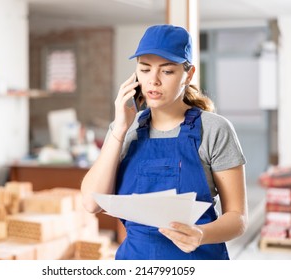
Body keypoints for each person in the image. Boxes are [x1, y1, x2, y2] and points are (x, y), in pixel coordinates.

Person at [81, 24, 248, 260]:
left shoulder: (214, 129)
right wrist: (119, 129)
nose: (154, 81)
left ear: (188, 75)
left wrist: (200, 234)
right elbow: (90, 203)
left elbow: (237, 218)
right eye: (145, 69)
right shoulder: (125, 128)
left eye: (167, 71)